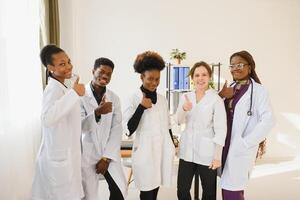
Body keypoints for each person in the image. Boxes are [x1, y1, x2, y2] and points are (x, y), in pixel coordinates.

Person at [32, 44, 85, 200]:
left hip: (66, 158)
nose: (69, 66)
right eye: (62, 64)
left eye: (68, 61)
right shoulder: (53, 90)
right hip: (58, 162)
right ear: (50, 68)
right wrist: (74, 93)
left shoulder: (63, 88)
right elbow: (47, 119)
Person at [219, 50, 275, 200]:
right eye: (232, 65)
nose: (235, 68)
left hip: (239, 146)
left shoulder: (259, 91)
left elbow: (268, 120)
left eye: (240, 64)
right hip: (223, 144)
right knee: (226, 187)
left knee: (233, 190)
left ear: (249, 68)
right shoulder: (229, 87)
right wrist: (221, 97)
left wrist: (246, 143)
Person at [123, 51, 175, 200]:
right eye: (150, 78)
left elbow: (168, 125)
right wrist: (141, 107)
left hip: (162, 151)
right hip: (145, 152)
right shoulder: (132, 97)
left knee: (155, 190)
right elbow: (128, 129)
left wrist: (172, 146)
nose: (154, 83)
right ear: (141, 77)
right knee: (146, 192)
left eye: (157, 79)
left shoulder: (162, 100)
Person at [176, 61, 227, 200]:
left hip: (208, 152)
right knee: (182, 190)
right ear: (192, 78)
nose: (200, 78)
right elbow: (178, 121)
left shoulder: (216, 99)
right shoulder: (185, 97)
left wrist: (217, 156)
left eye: (204, 74)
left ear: (210, 77)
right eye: (197, 75)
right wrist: (184, 109)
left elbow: (221, 129)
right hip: (187, 151)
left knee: (209, 192)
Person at [81, 57, 127, 200]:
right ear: (93, 71)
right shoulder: (80, 96)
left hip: (108, 153)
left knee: (119, 191)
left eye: (109, 73)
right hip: (87, 153)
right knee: (89, 195)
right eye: (101, 72)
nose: (105, 76)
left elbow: (117, 129)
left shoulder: (114, 98)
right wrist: (97, 113)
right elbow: (80, 126)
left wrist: (106, 158)